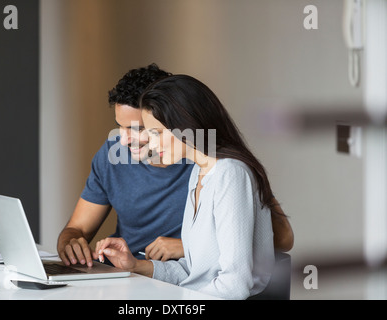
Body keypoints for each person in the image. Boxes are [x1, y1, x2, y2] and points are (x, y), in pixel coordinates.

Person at [57, 64, 293, 268]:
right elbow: (76, 229)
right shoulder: (112, 153)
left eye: (139, 129)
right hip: (126, 273)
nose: (124, 139)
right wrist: (71, 243)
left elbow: (281, 239)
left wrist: (186, 247)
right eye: (120, 126)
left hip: (179, 278)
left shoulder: (215, 164)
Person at [94, 74, 278, 299]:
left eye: (157, 133)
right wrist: (134, 265)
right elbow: (192, 272)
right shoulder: (199, 173)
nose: (150, 144)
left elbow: (233, 285)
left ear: (186, 125)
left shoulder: (230, 174)